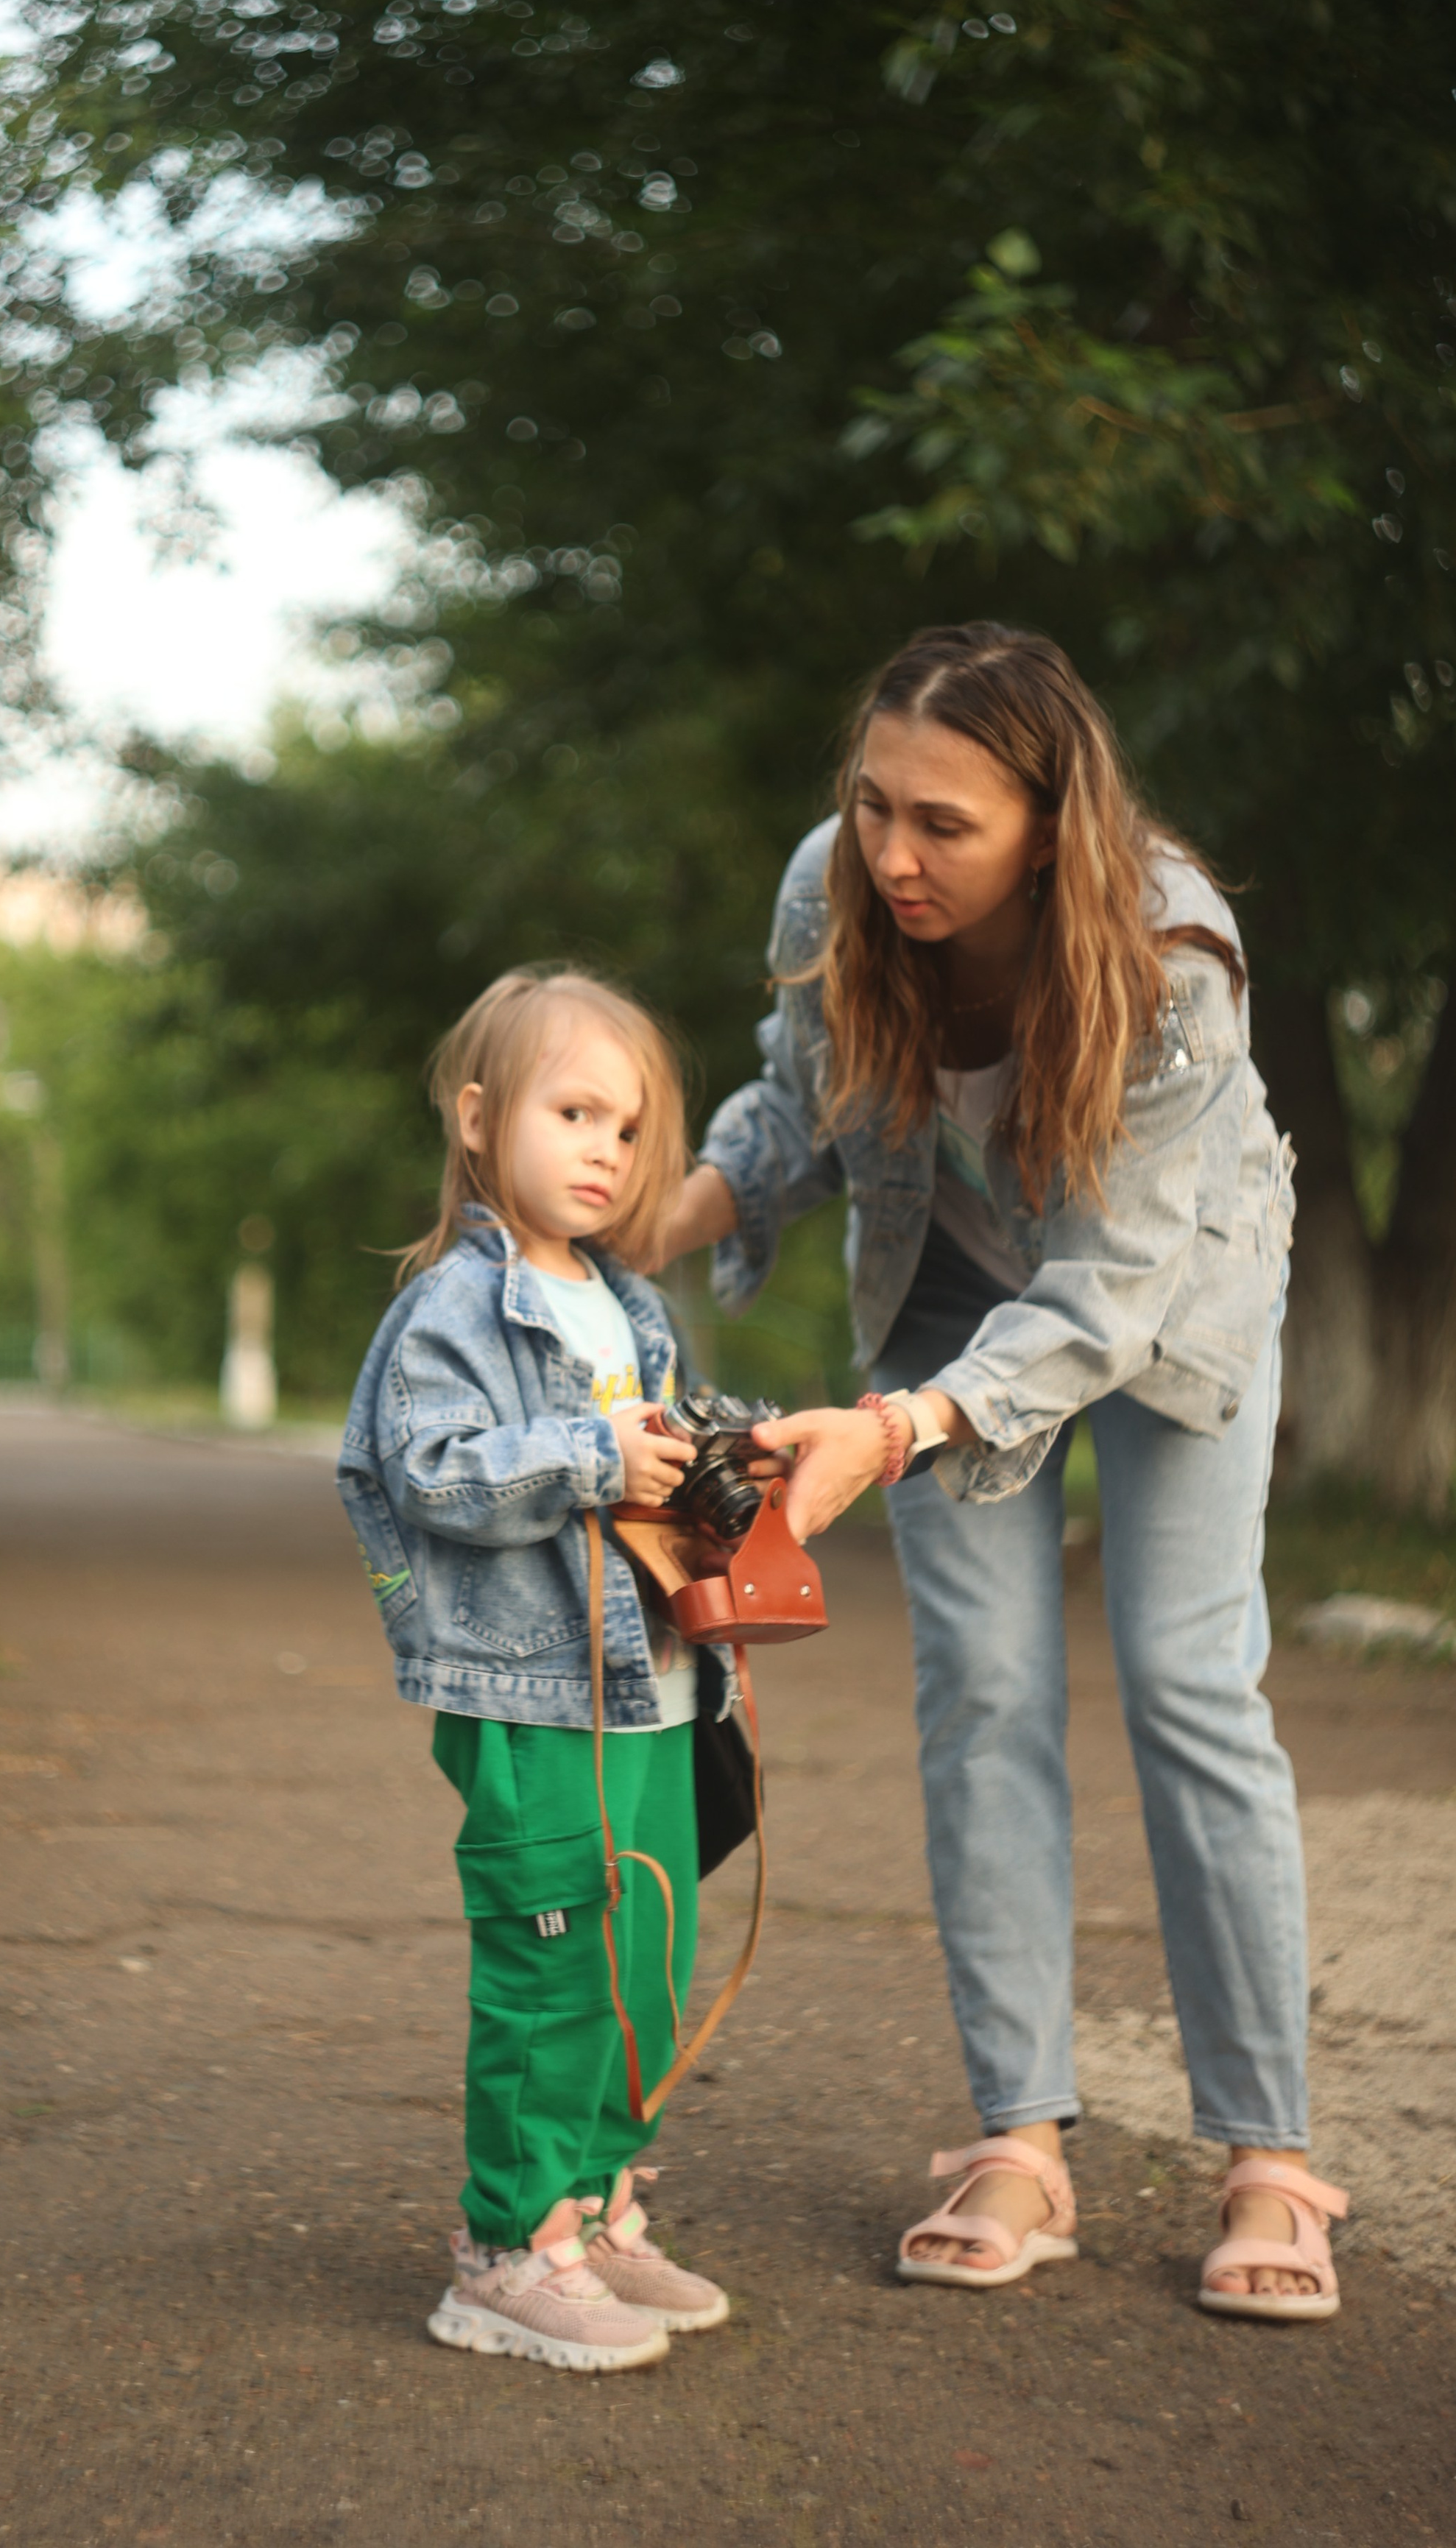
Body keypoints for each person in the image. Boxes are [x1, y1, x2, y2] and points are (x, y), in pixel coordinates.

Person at [665, 622, 1349, 2321]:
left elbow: (1110, 1287)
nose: (888, 856)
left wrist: (890, 1432)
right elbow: (795, 1098)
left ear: (1049, 824)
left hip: (1167, 1294)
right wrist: (676, 1206)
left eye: (942, 826)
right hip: (948, 1284)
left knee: (1188, 1682)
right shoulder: (833, 887)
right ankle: (1018, 2140)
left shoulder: (1170, 951)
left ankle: (1264, 2157)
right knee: (979, 1695)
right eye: (870, 805)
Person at [338, 967, 735, 2372]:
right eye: (573, 1113)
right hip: (527, 1691)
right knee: (552, 1960)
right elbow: (431, 1470)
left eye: (627, 1131)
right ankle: (507, 2249)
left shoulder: (628, 1306)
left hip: (656, 1686)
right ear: (477, 1118)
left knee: (646, 1954)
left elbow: (649, 1483)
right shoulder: (456, 1308)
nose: (603, 1151)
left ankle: (595, 2203)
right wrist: (590, 1458)